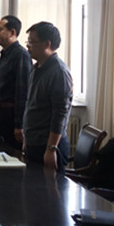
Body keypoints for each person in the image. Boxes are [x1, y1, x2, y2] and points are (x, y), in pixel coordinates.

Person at [23, 22, 73, 172]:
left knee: (49, 187)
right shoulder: (35, 68)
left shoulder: (59, 72)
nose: (28, 46)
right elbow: (31, 105)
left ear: (47, 44)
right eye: (27, 42)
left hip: (48, 145)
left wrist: (51, 148)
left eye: (32, 42)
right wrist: (26, 139)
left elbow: (60, 114)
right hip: (33, 142)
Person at [0, 15, 31, 150]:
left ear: (12, 32)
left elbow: (22, 92)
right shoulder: (4, 54)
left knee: (10, 155)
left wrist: (19, 124)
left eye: (0, 29)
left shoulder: (20, 55)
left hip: (10, 117)